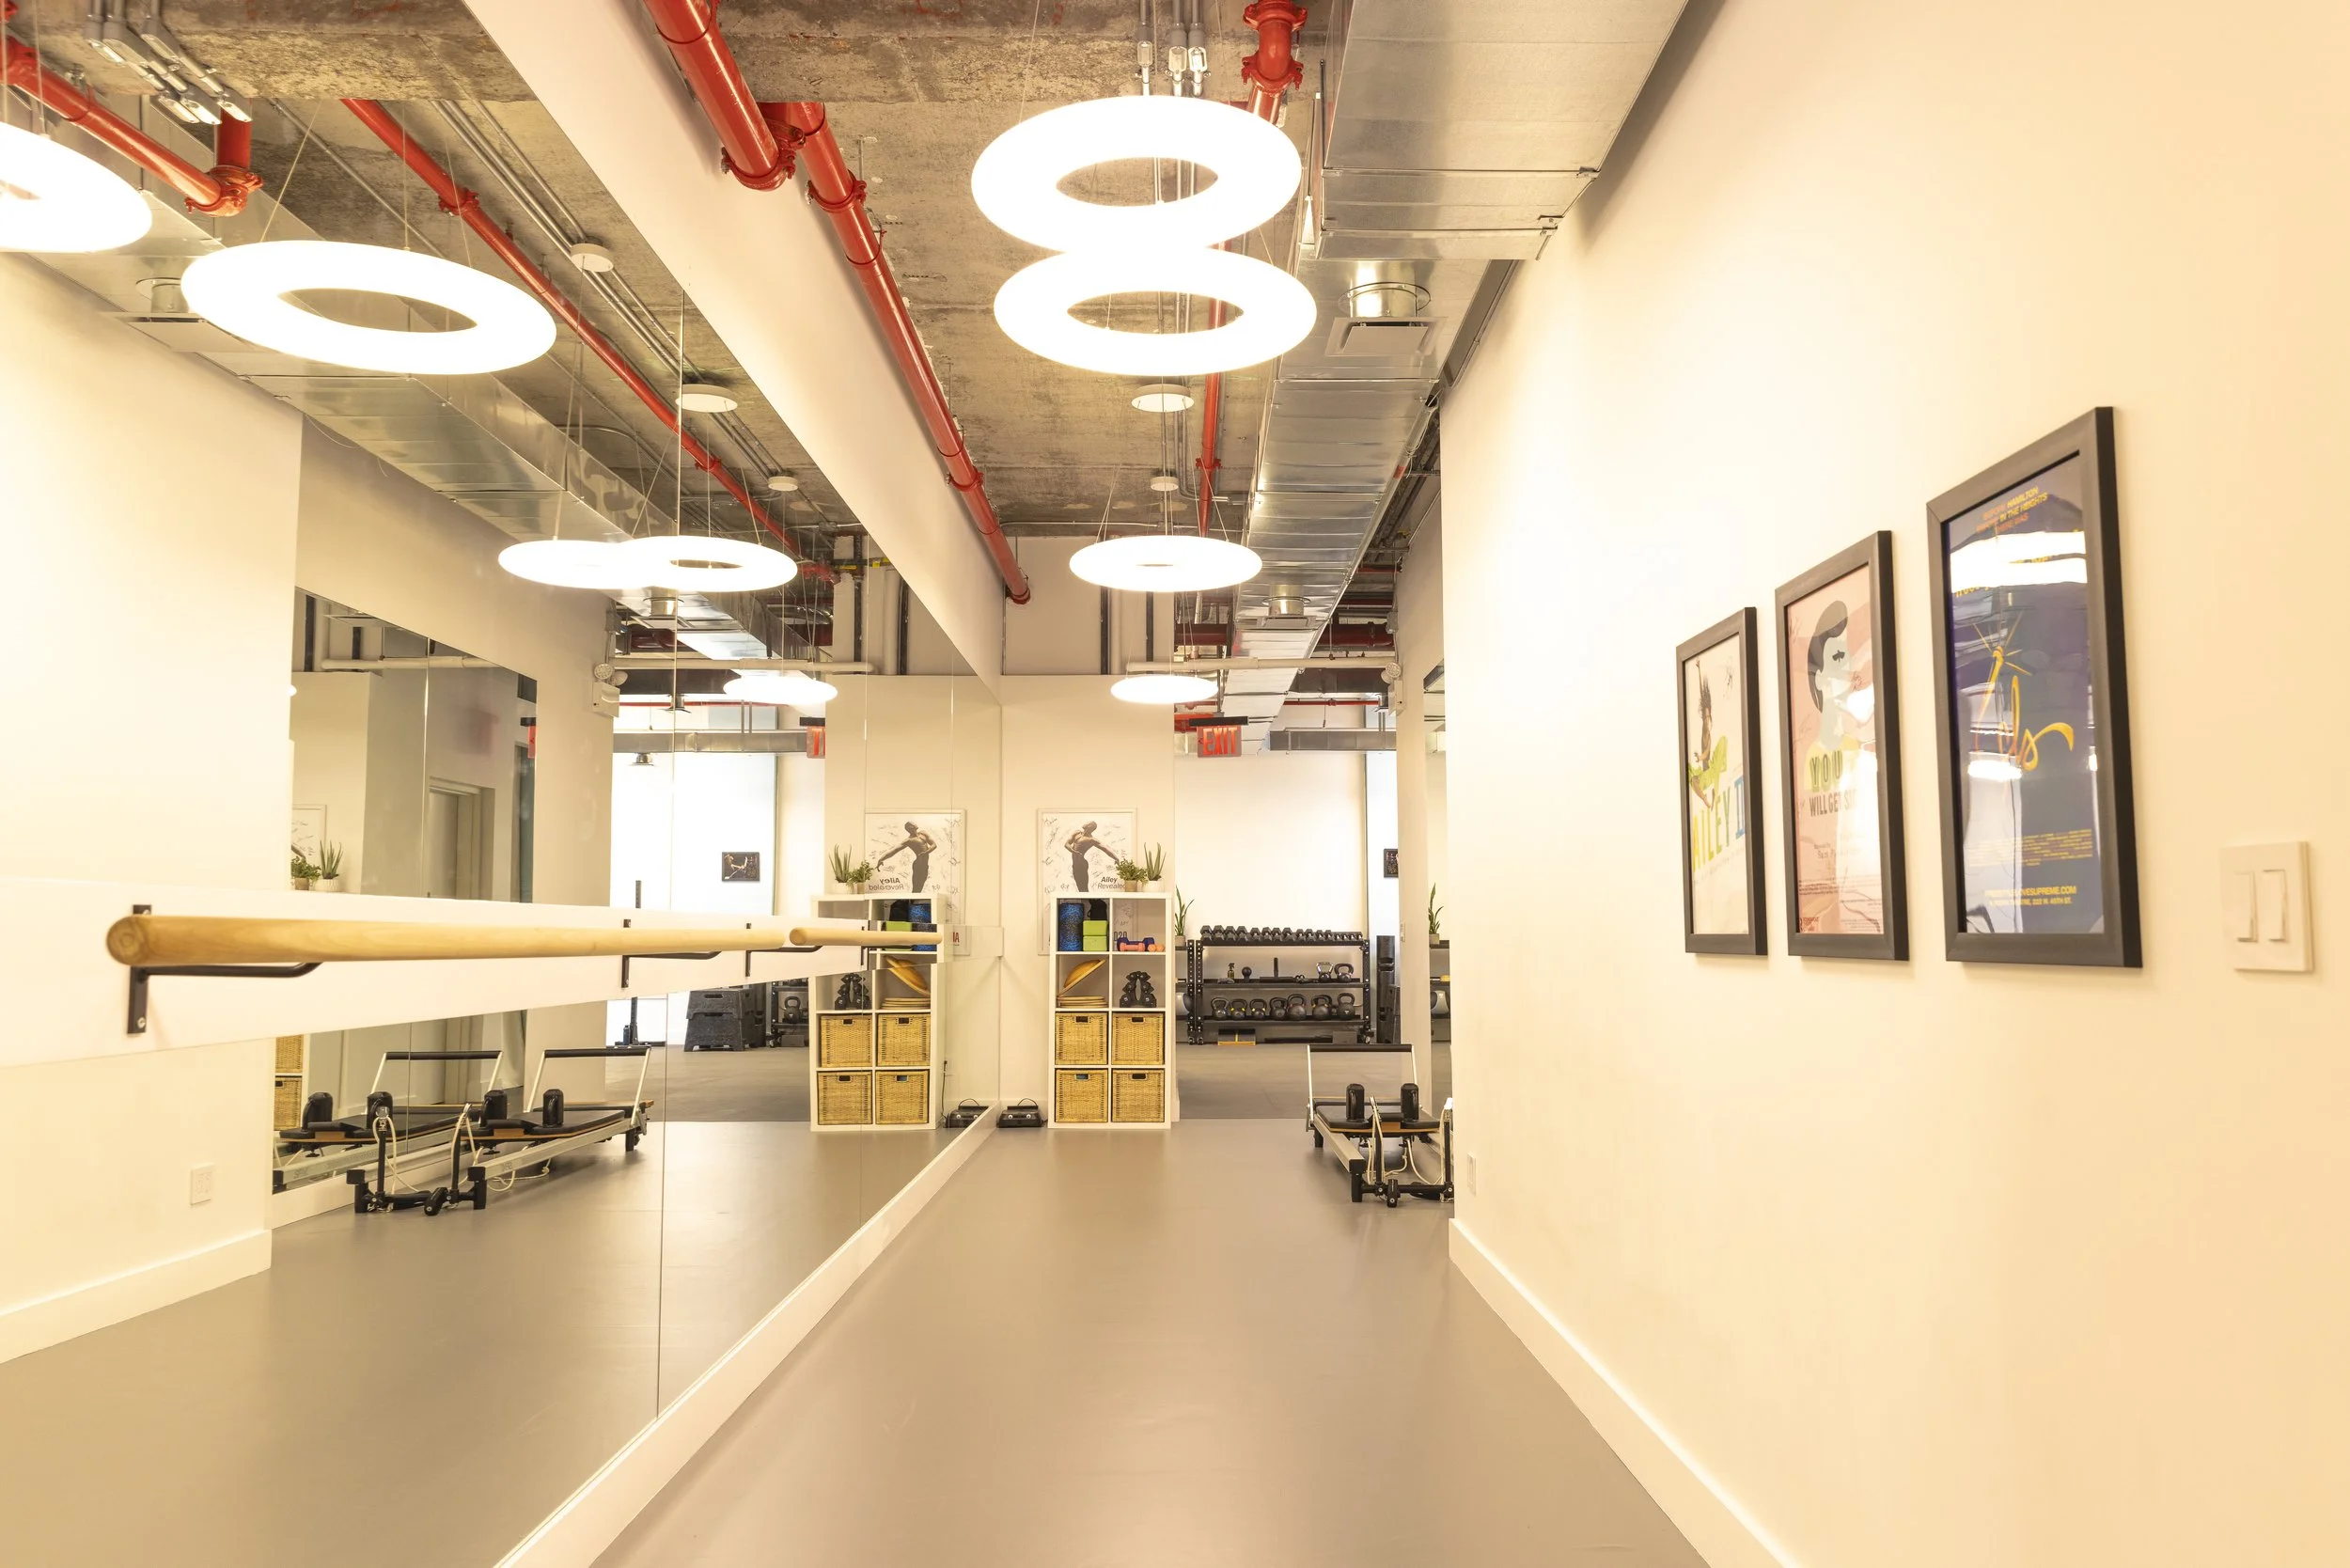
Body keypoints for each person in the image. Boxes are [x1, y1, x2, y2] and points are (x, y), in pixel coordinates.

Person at [875, 821, 937, 892]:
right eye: (913, 823)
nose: (915, 823)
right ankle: (913, 899)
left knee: (920, 888)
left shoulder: (923, 833)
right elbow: (894, 850)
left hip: (925, 865)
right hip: (918, 865)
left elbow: (934, 845)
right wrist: (881, 859)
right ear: (910, 827)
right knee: (916, 889)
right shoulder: (908, 840)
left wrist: (926, 852)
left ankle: (915, 899)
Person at [1064, 821, 1115, 891]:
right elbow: (1066, 844)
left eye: (1088, 822)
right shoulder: (1077, 833)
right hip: (1075, 865)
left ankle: (1088, 898)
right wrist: (1074, 852)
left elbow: (1105, 849)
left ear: (1090, 826)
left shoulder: (1092, 840)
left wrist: (1116, 859)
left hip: (1081, 865)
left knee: (1084, 889)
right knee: (1080, 889)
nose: (1085, 822)